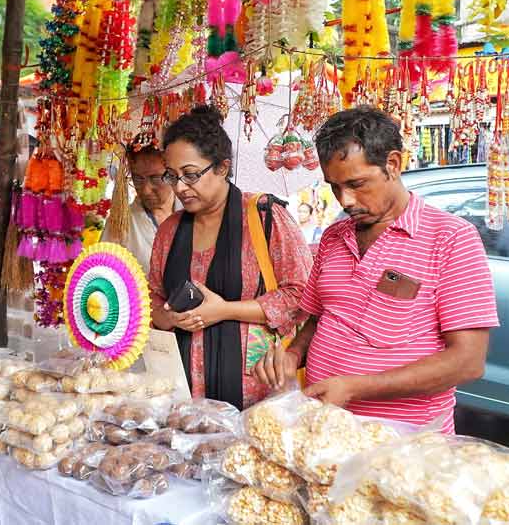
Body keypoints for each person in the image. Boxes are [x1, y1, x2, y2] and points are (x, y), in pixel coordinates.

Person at [255, 107, 499, 432]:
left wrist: (356, 386)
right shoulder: (333, 236)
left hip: (403, 445)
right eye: (334, 186)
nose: (345, 200)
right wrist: (292, 355)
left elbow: (467, 362)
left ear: (393, 164)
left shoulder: (452, 239)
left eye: (357, 183)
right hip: (325, 433)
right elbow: (319, 318)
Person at [149, 106, 314, 409]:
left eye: (191, 175)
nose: (181, 187)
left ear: (222, 168)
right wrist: (168, 317)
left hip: (257, 391)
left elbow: (302, 296)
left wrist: (224, 310)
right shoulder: (169, 231)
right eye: (172, 177)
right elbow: (152, 299)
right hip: (182, 394)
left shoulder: (265, 217)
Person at [103, 145, 178, 272]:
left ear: (173, 174)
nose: (146, 190)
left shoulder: (192, 213)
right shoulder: (120, 223)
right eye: (137, 179)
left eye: (155, 178)